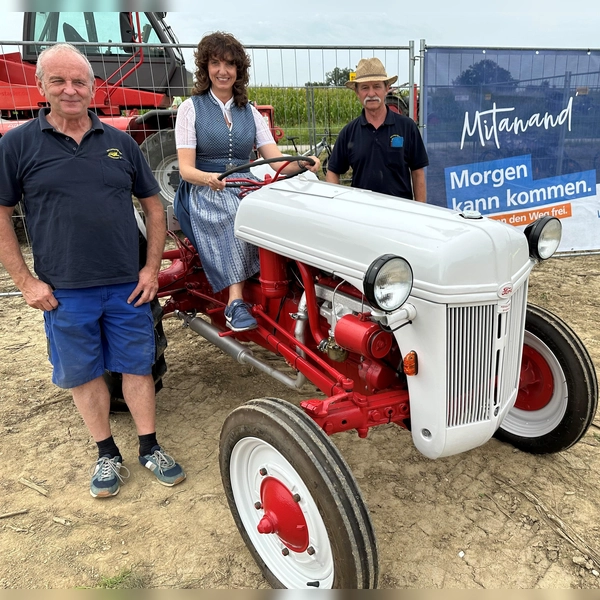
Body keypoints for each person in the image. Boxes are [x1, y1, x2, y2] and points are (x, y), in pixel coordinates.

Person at [0, 43, 185, 498]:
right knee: (83, 373)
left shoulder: (120, 144)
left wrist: (150, 268)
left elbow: (154, 207)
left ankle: (149, 446)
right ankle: (106, 453)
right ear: (41, 85)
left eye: (79, 81)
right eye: (59, 81)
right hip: (65, 290)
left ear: (93, 87)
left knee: (137, 367)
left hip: (127, 285)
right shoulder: (18, 144)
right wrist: (25, 282)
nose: (70, 90)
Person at [174, 32, 320, 332]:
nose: (223, 71)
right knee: (236, 211)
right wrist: (208, 178)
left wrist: (303, 164)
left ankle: (297, 280)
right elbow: (186, 170)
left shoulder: (250, 112)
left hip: (244, 182)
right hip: (204, 187)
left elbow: (275, 161)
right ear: (206, 68)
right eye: (215, 63)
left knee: (282, 206)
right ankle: (235, 302)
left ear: (239, 70)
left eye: (229, 64)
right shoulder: (191, 109)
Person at [325, 58, 429, 202]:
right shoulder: (348, 132)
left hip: (401, 214)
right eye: (365, 87)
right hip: (361, 214)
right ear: (357, 92)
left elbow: (418, 173)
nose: (371, 93)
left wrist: (420, 211)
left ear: (387, 89)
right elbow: (332, 172)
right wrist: (338, 207)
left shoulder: (407, 127)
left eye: (377, 86)